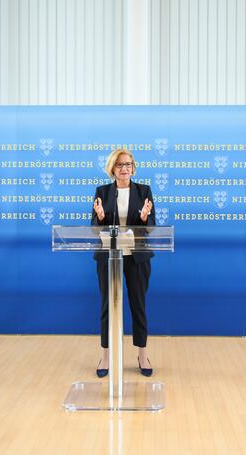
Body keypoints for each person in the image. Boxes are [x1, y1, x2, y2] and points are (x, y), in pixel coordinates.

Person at [92, 148, 155, 377]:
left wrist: (145, 217)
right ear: (112, 168)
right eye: (120, 165)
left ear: (133, 167)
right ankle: (105, 357)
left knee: (138, 305)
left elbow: (149, 227)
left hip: (136, 257)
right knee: (107, 307)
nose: (125, 168)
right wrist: (100, 217)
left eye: (128, 164)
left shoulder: (144, 191)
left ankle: (142, 355)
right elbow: (95, 228)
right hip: (109, 257)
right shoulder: (102, 192)